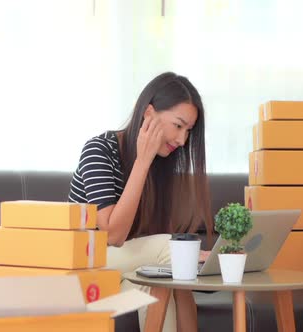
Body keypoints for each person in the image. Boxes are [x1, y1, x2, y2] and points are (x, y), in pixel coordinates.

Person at [68, 72, 213, 332]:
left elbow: (149, 240)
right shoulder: (98, 150)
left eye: (188, 131)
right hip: (83, 269)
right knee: (171, 253)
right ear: (148, 114)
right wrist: (142, 162)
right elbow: (113, 235)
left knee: (162, 284)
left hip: (121, 274)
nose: (182, 141)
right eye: (178, 126)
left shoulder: (163, 166)